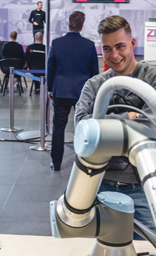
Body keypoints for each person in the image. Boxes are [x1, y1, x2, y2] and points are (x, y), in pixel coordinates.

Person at [74, 15, 156, 235]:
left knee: (152, 254)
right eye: (107, 49)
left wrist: (101, 126)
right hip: (99, 183)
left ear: (133, 44)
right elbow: (81, 128)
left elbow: (150, 127)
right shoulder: (95, 84)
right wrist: (129, 118)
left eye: (120, 46)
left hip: (144, 186)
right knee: (102, 253)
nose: (114, 55)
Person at [46, 11, 98, 171]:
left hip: (61, 91)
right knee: (84, 127)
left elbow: (51, 68)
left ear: (68, 24)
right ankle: (85, 161)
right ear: (82, 26)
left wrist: (50, 88)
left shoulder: (56, 43)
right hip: (83, 93)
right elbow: (94, 72)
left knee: (59, 127)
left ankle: (56, 163)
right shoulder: (89, 45)